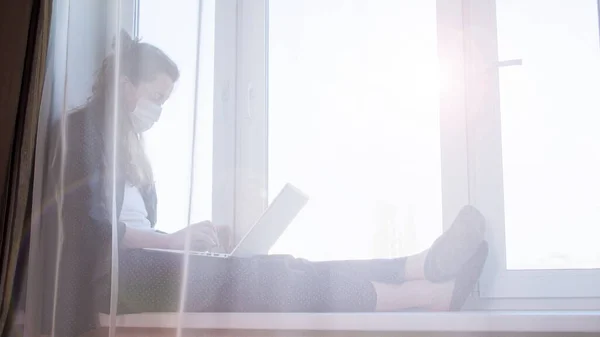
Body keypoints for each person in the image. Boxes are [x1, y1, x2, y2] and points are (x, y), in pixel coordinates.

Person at [43, 32, 488, 337]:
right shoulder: (84, 131)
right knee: (267, 278)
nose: (159, 109)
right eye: (157, 96)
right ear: (125, 86)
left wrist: (181, 242)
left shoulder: (130, 150)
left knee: (289, 265)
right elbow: (89, 228)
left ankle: (413, 266)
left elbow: (126, 226)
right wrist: (174, 240)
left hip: (142, 266)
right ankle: (422, 295)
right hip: (116, 279)